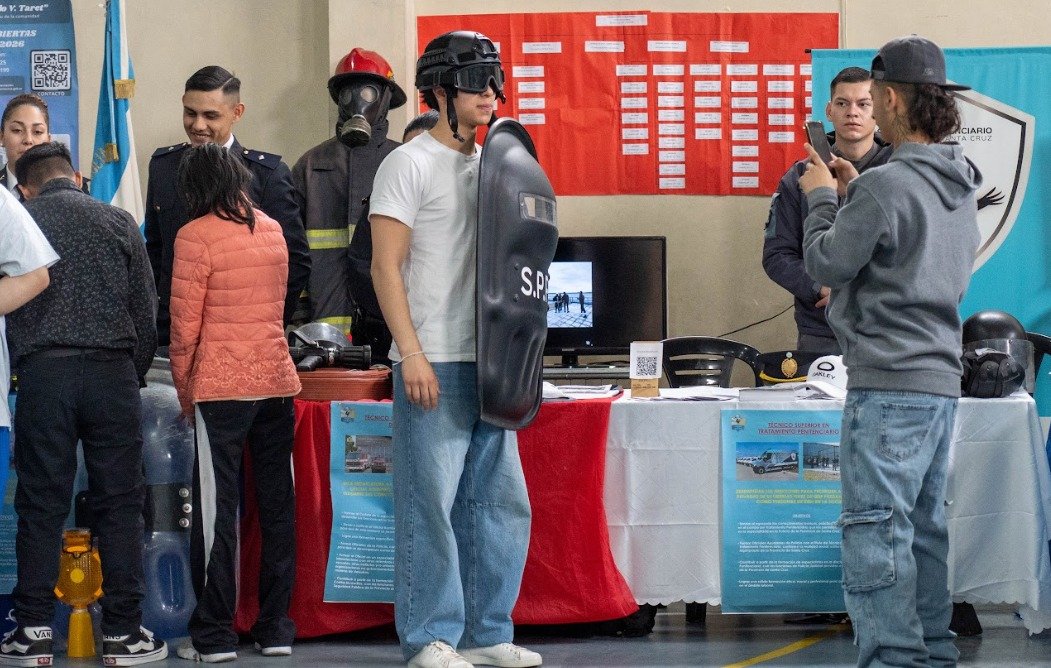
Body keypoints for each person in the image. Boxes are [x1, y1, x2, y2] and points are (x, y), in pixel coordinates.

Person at [799, 35, 980, 667]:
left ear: (893, 99)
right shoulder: (958, 184)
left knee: (875, 532)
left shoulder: (885, 185)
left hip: (887, 385)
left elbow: (826, 263)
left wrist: (821, 197)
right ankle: (932, 653)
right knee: (924, 532)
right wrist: (857, 193)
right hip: (939, 384)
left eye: (873, 96)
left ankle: (894, 660)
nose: (867, 108)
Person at [370, 30, 541, 668]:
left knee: (499, 505)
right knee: (430, 507)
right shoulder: (407, 164)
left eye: (495, 82)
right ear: (440, 92)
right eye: (475, 84)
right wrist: (410, 353)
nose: (489, 95)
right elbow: (385, 267)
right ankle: (429, 638)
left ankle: (485, 634)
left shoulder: (497, 166)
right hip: (434, 357)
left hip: (494, 358)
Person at [2, 142, 164, 666]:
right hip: (111, 373)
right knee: (120, 502)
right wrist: (130, 373)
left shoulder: (19, 220)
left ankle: (31, 631)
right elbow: (146, 309)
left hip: (43, 375)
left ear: (24, 187)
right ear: (75, 177)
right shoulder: (117, 220)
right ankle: (123, 633)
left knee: (40, 502)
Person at [168, 143, 301, 663]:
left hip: (221, 388)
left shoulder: (193, 235)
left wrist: (186, 393)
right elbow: (279, 307)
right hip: (276, 381)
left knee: (215, 511)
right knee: (278, 507)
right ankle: (276, 629)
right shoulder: (272, 230)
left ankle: (215, 636)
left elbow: (184, 330)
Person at [145, 65, 310, 347]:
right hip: (171, 335)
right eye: (190, 113)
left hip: (242, 340)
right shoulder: (163, 166)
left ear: (237, 113)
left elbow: (294, 261)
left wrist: (265, 325)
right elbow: (155, 251)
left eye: (211, 116)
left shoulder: (266, 175)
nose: (198, 125)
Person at [763, 67, 891, 355]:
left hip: (884, 328)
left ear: (878, 111)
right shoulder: (801, 176)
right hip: (821, 330)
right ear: (829, 111)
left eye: (863, 104)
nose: (852, 112)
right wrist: (819, 285)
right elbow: (777, 255)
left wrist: (855, 292)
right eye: (842, 103)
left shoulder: (896, 171)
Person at [292, 48, 405, 362]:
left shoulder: (403, 162)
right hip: (321, 333)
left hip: (390, 330)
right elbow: (292, 250)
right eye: (347, 93)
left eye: (368, 92)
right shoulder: (310, 166)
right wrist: (300, 316)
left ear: (385, 99)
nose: (358, 102)